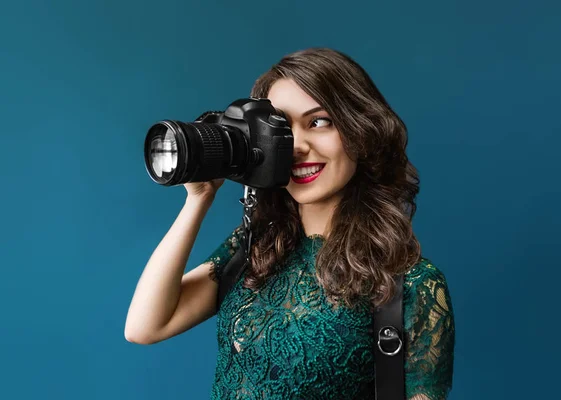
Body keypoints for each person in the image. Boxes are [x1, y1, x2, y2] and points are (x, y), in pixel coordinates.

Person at [125, 48, 455, 400]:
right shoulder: (256, 248)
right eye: (281, 129)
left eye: (318, 122)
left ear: (361, 132)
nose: (297, 146)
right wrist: (199, 198)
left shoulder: (414, 284)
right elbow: (146, 326)